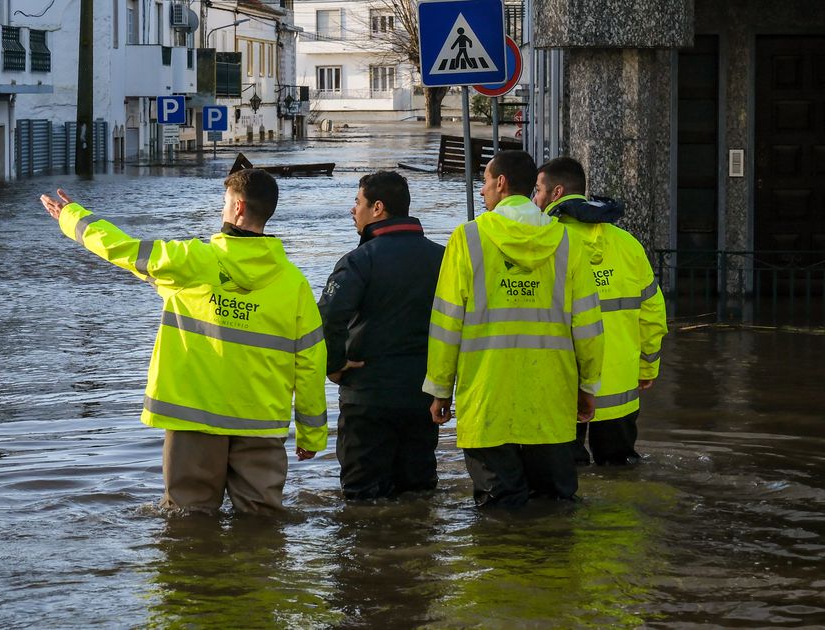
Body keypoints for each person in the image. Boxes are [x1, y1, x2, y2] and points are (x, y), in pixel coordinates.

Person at [38, 169, 327, 515]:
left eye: (224, 203)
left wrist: (72, 217)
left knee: (188, 520)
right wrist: (311, 435)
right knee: (261, 520)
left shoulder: (190, 261)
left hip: (194, 420)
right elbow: (311, 363)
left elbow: (124, 249)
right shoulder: (294, 283)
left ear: (237, 208)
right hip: (261, 423)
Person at [423, 150, 604, 508]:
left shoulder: (467, 239)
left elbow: (446, 323)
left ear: (501, 183)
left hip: (487, 399)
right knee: (555, 507)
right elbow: (588, 325)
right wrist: (588, 386)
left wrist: (440, 389)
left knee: (499, 511)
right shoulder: (567, 242)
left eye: (485, 181)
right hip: (551, 399)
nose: (482, 190)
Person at [317, 171, 445, 500]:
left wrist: (335, 364)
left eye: (357, 202)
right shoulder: (443, 258)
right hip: (423, 395)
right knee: (419, 493)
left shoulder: (359, 260)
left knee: (362, 499)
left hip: (368, 397)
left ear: (377, 208)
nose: (353, 209)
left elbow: (328, 317)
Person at [534, 157, 668, 466]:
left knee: (565, 475)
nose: (535, 199)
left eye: (538, 190)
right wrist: (647, 367)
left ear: (556, 193)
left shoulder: (544, 244)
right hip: (620, 389)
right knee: (620, 474)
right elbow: (652, 314)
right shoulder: (628, 245)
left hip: (562, 388)